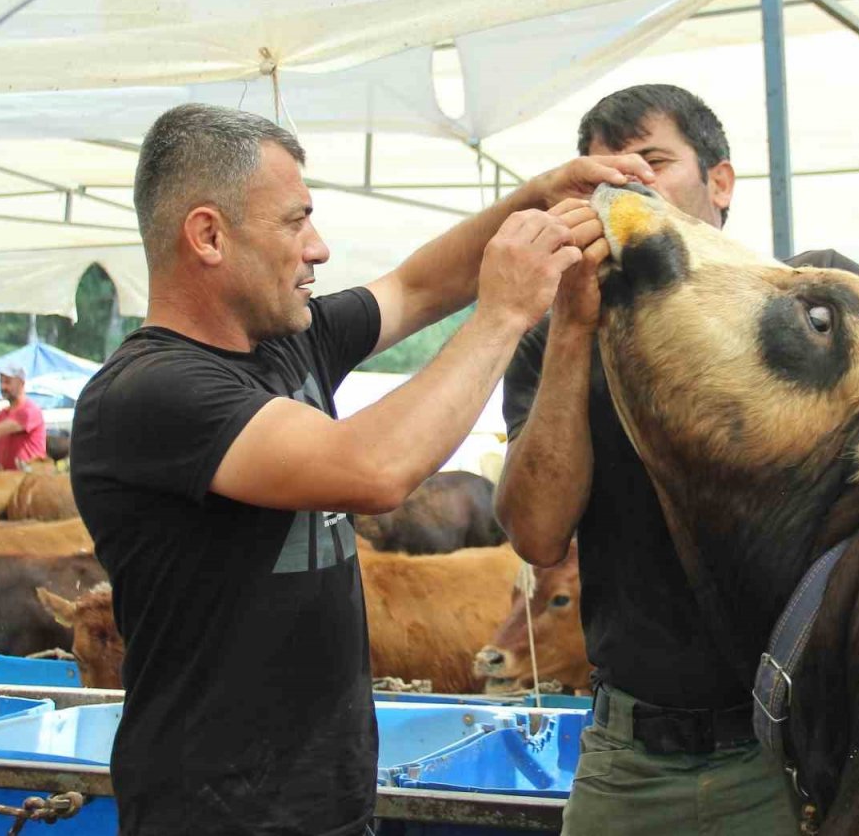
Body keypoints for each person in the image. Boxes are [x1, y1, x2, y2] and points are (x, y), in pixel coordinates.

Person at [495, 84, 859, 836]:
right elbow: (536, 535)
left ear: (720, 182)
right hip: (630, 758)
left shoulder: (818, 294)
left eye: (652, 162)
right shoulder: (551, 342)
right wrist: (573, 326)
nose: (624, 185)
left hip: (795, 752)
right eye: (601, 172)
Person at [69, 103, 651, 836]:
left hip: (329, 805)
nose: (317, 248)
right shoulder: (150, 393)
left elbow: (416, 287)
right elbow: (374, 468)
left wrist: (537, 197)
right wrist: (504, 312)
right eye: (295, 222)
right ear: (209, 235)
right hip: (218, 818)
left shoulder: (288, 342)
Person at [0, 364, 47, 470]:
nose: (3, 387)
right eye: (1, 382)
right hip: (8, 477)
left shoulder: (30, 411)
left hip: (32, 477)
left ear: (21, 383)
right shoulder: (0, 415)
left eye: (7, 382)